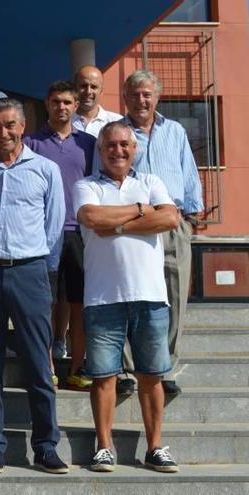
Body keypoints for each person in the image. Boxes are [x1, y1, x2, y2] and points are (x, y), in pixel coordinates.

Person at [0, 97, 67, 474]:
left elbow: (54, 225)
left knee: (38, 363)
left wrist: (42, 270)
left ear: (22, 127)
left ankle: (45, 445)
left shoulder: (46, 170)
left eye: (10, 125)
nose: (3, 133)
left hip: (30, 272)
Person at [75, 121, 181, 473]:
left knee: (152, 376)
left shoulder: (150, 182)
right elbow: (90, 217)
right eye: (111, 145)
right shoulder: (86, 185)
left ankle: (155, 447)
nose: (118, 151)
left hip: (150, 296)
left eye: (125, 145)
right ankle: (103, 446)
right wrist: (140, 210)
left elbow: (169, 217)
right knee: (104, 377)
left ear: (134, 149)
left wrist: (116, 224)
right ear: (100, 149)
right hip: (103, 298)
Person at [118, 70, 203, 397]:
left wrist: (190, 218)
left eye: (147, 94)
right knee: (129, 297)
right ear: (125, 98)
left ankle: (164, 367)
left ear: (157, 97)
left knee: (175, 300)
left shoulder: (176, 131)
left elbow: (188, 172)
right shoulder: (118, 132)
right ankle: (127, 370)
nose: (141, 100)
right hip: (134, 223)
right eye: (135, 94)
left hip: (173, 222)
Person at [23, 81, 96, 391]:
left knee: (80, 304)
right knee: (46, 304)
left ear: (76, 105)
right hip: (44, 235)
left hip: (81, 235)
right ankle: (48, 367)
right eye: (56, 102)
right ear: (47, 104)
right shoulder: (31, 143)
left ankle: (78, 368)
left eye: (68, 102)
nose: (62, 107)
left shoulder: (89, 144)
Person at [72, 65, 122, 137]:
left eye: (94, 87)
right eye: (83, 86)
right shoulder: (64, 121)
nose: (88, 92)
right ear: (75, 89)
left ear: (101, 91)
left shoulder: (117, 122)